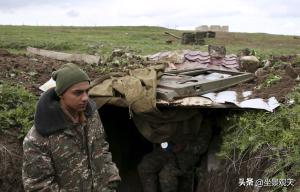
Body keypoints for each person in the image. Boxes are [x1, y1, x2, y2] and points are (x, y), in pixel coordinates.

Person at [22, 63, 121, 191]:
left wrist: (111, 180)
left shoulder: (92, 116)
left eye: (87, 91)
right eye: (78, 93)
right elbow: (38, 186)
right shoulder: (38, 138)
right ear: (61, 94)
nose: (85, 98)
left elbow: (101, 148)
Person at [138, 111, 211, 192]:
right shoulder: (174, 117)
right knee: (145, 166)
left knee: (167, 175)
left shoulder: (203, 125)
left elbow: (202, 147)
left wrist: (185, 146)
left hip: (185, 157)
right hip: (167, 151)